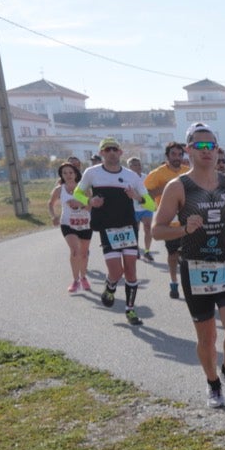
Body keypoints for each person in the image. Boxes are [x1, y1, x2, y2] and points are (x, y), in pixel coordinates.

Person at [152, 126, 225, 408]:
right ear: (188, 150)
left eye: (212, 146)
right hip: (195, 267)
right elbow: (157, 230)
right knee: (207, 337)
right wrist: (183, 228)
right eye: (200, 146)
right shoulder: (178, 187)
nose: (207, 151)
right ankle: (212, 383)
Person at [79, 137, 148, 325]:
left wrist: (137, 197)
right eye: (107, 149)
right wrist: (90, 202)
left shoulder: (131, 176)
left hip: (128, 227)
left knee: (132, 271)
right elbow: (77, 193)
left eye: (114, 149)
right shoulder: (92, 173)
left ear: (120, 153)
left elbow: (151, 203)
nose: (111, 152)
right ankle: (110, 287)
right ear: (101, 153)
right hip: (107, 228)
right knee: (116, 272)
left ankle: (130, 310)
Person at [143, 140, 190, 299]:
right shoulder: (157, 174)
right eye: (173, 154)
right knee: (173, 254)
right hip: (168, 221)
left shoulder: (188, 171)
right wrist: (162, 189)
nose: (177, 157)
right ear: (167, 156)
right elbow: (146, 195)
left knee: (189, 255)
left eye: (179, 154)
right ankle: (173, 281)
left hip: (187, 219)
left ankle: (189, 284)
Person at [47, 161, 92, 293]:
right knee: (74, 251)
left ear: (75, 173)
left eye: (70, 172)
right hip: (68, 224)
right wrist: (53, 216)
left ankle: (83, 277)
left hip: (85, 223)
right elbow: (50, 203)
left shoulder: (83, 188)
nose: (68, 175)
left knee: (83, 254)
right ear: (61, 175)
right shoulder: (59, 189)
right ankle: (75, 280)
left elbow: (91, 205)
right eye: (64, 173)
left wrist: (79, 204)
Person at [127, 156, 154, 260]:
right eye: (135, 165)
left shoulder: (146, 177)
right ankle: (136, 249)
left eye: (139, 164)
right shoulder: (126, 178)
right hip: (133, 209)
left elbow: (151, 191)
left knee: (148, 228)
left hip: (146, 208)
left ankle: (147, 251)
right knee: (135, 230)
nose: (138, 166)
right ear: (129, 167)